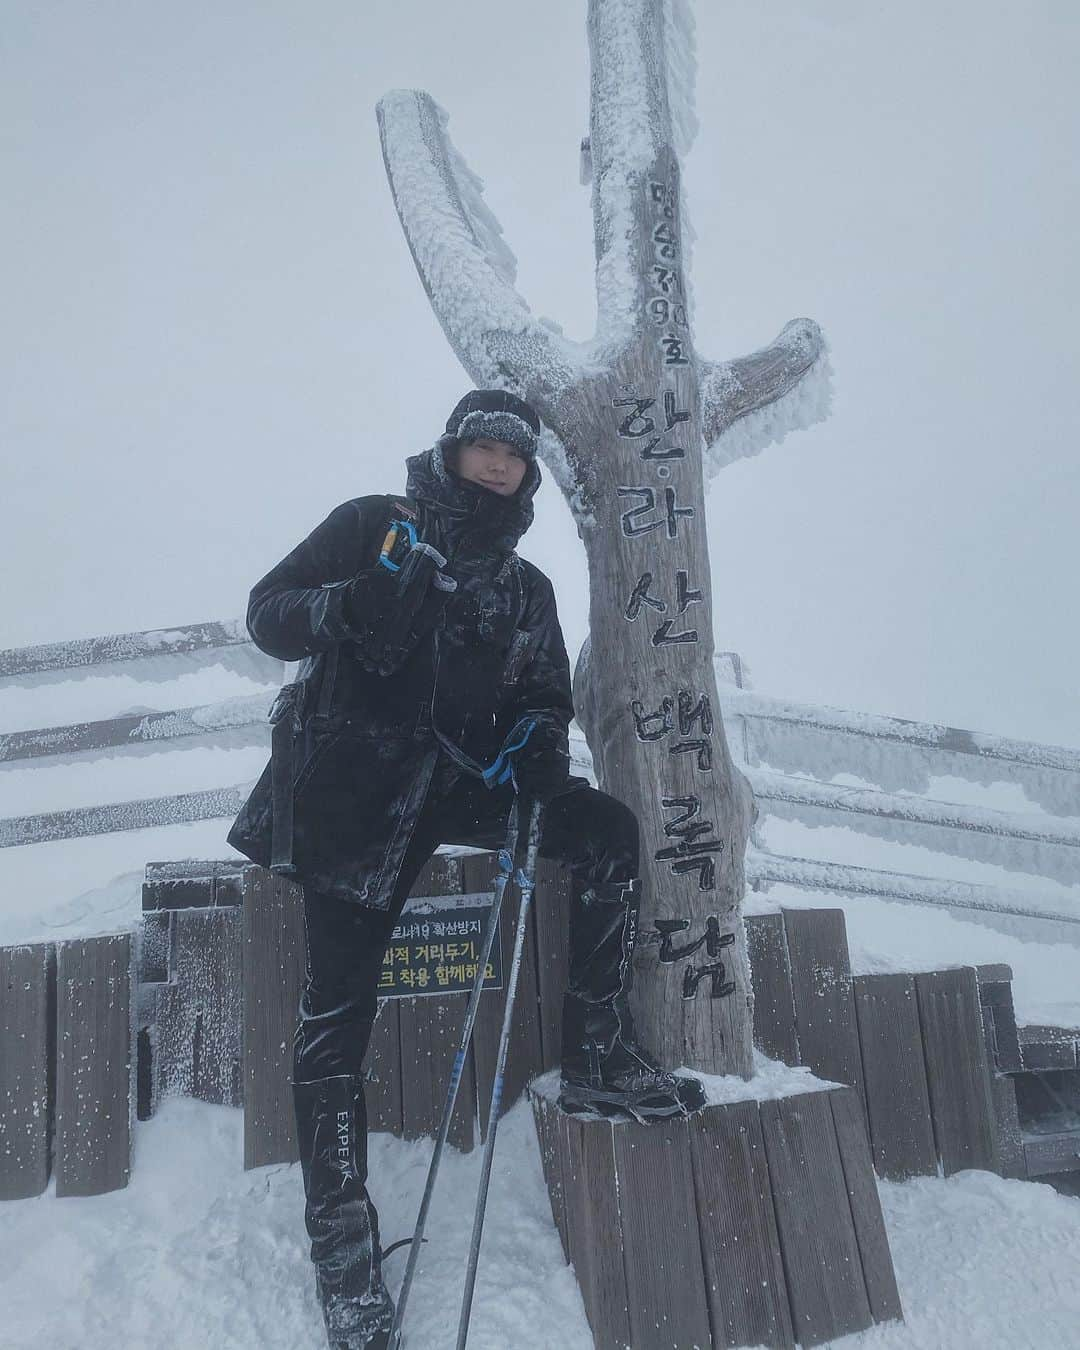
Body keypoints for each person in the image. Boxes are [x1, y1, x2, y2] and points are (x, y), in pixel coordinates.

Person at [227, 389, 703, 1350]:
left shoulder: (525, 586)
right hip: (356, 799)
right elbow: (267, 616)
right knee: (335, 1025)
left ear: (527, 474)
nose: (497, 463)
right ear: (451, 452)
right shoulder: (376, 526)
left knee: (605, 831)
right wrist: (351, 604)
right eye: (482, 445)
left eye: (513, 453)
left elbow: (540, 694)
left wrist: (538, 744)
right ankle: (343, 1250)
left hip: (460, 787)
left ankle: (598, 1054)